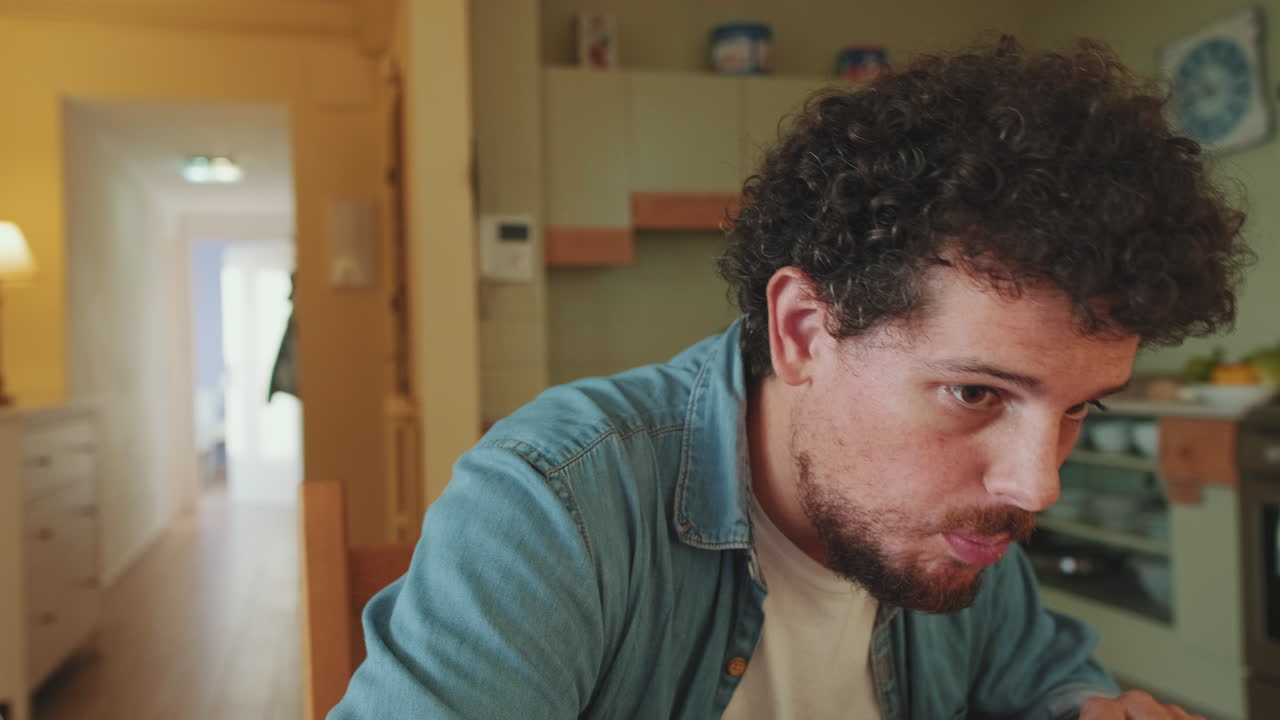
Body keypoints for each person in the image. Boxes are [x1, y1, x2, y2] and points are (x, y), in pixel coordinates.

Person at [330, 36, 1250, 719]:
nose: (1035, 485)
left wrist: (1086, 710)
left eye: (1079, 408)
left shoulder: (963, 522)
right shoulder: (556, 505)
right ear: (804, 331)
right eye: (976, 394)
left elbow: (1040, 674)